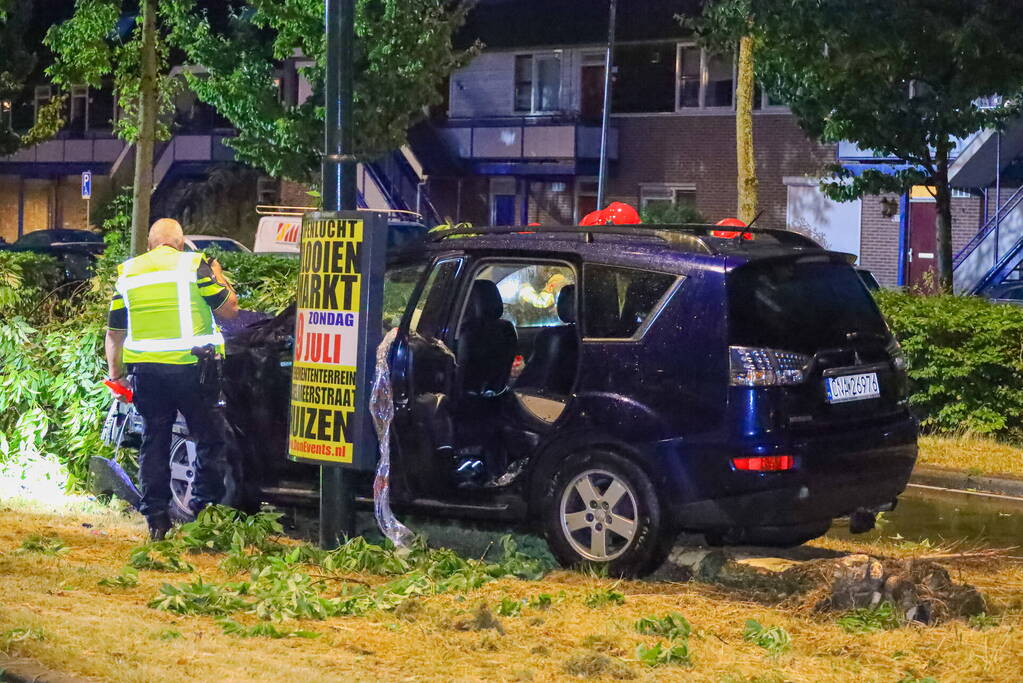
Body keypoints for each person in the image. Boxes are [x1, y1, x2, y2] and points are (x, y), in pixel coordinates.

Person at [104, 218, 239, 540]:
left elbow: (114, 334)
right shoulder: (195, 265)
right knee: (209, 438)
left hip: (147, 373)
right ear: (180, 243)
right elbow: (230, 310)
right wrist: (218, 273)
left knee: (154, 441)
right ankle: (203, 512)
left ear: (150, 245)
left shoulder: (128, 273)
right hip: (194, 369)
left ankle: (157, 520)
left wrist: (116, 377)